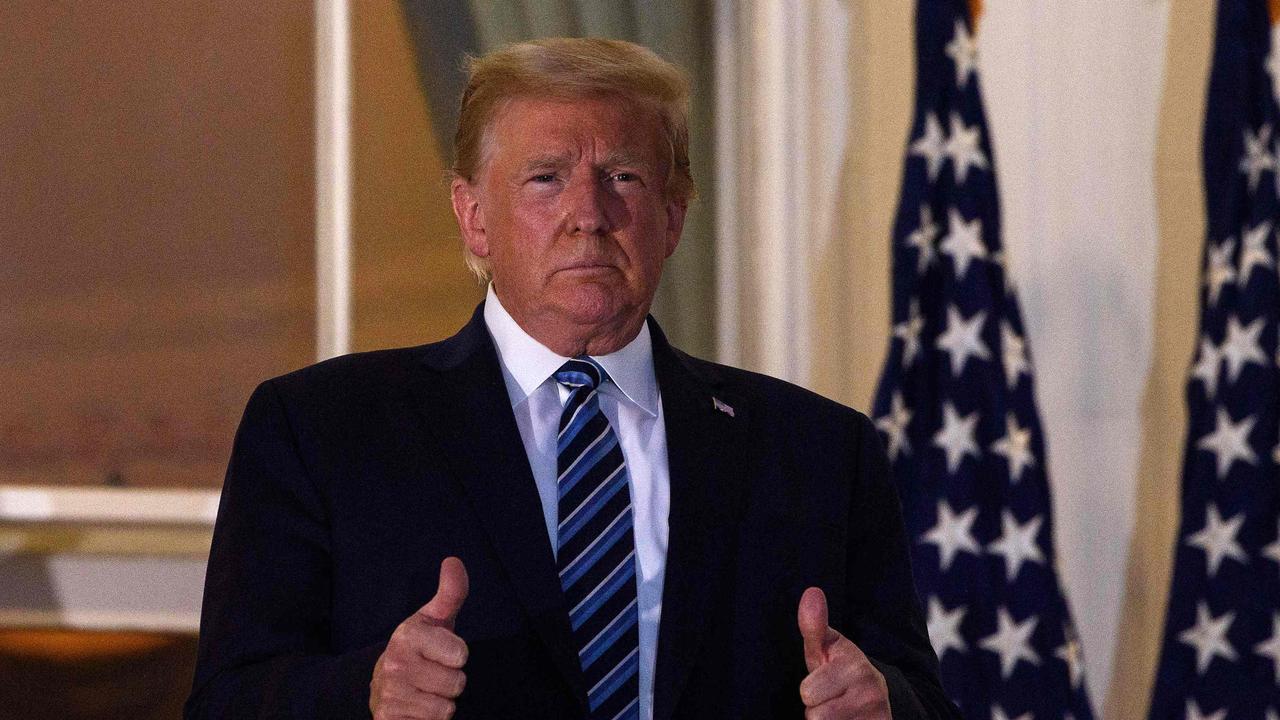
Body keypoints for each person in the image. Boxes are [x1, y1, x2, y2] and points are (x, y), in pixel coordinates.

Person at [185, 37, 957, 720]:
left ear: (673, 216)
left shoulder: (819, 451)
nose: (588, 214)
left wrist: (884, 705)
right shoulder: (321, 431)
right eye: (546, 178)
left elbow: (920, 697)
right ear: (473, 216)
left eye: (622, 177)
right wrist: (367, 691)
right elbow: (228, 700)